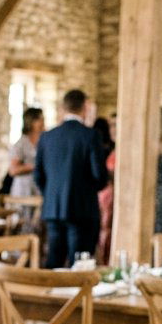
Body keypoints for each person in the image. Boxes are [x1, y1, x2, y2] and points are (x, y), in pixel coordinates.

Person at [34, 88, 107, 267]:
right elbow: (100, 176)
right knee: (79, 265)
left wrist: (52, 194)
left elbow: (38, 176)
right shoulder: (90, 136)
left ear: (64, 108)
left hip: (53, 209)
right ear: (84, 107)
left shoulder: (47, 137)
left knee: (54, 261)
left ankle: (50, 295)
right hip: (82, 209)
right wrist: (87, 190)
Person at [7, 107, 44, 198]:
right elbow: (13, 170)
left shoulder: (44, 141)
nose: (42, 122)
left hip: (39, 189)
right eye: (39, 119)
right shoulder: (21, 143)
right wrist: (34, 166)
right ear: (31, 121)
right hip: (23, 190)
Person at [97, 112, 116, 264]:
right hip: (105, 195)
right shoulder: (109, 149)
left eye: (116, 125)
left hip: (114, 197)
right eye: (111, 125)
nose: (113, 129)